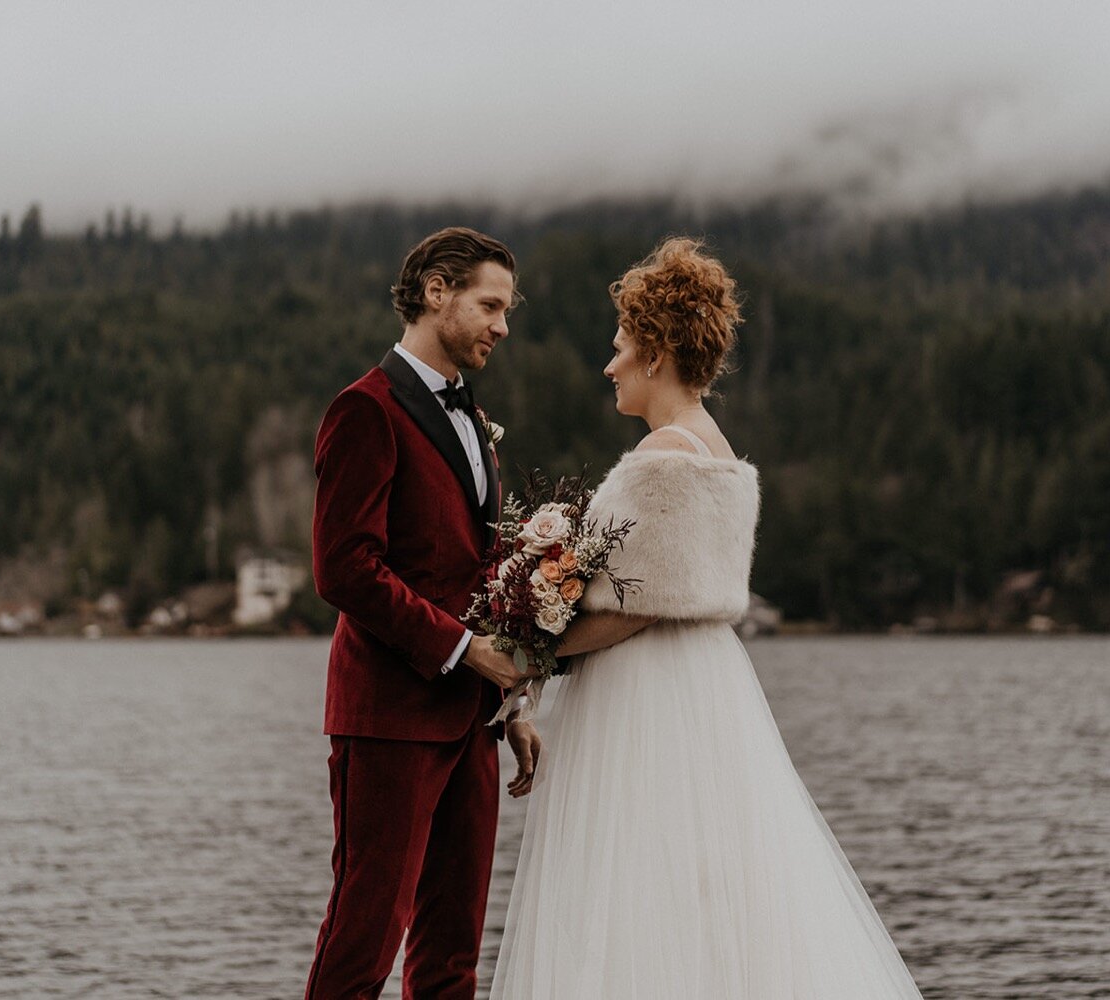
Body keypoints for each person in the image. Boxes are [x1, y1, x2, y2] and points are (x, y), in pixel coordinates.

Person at [491, 238, 923, 998]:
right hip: (707, 685)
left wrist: (529, 650)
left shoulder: (663, 456)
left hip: (648, 697)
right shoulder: (717, 452)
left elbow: (637, 611)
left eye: (620, 347)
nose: (609, 364)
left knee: (634, 882)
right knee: (707, 882)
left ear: (656, 354)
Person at [306, 227, 539, 999]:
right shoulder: (363, 410)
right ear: (436, 292)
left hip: (470, 721)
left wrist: (511, 703)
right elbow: (344, 568)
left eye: (507, 309)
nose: (503, 325)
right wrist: (464, 650)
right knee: (363, 943)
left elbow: (477, 573)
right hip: (388, 719)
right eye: (490, 305)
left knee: (450, 960)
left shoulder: (474, 420)